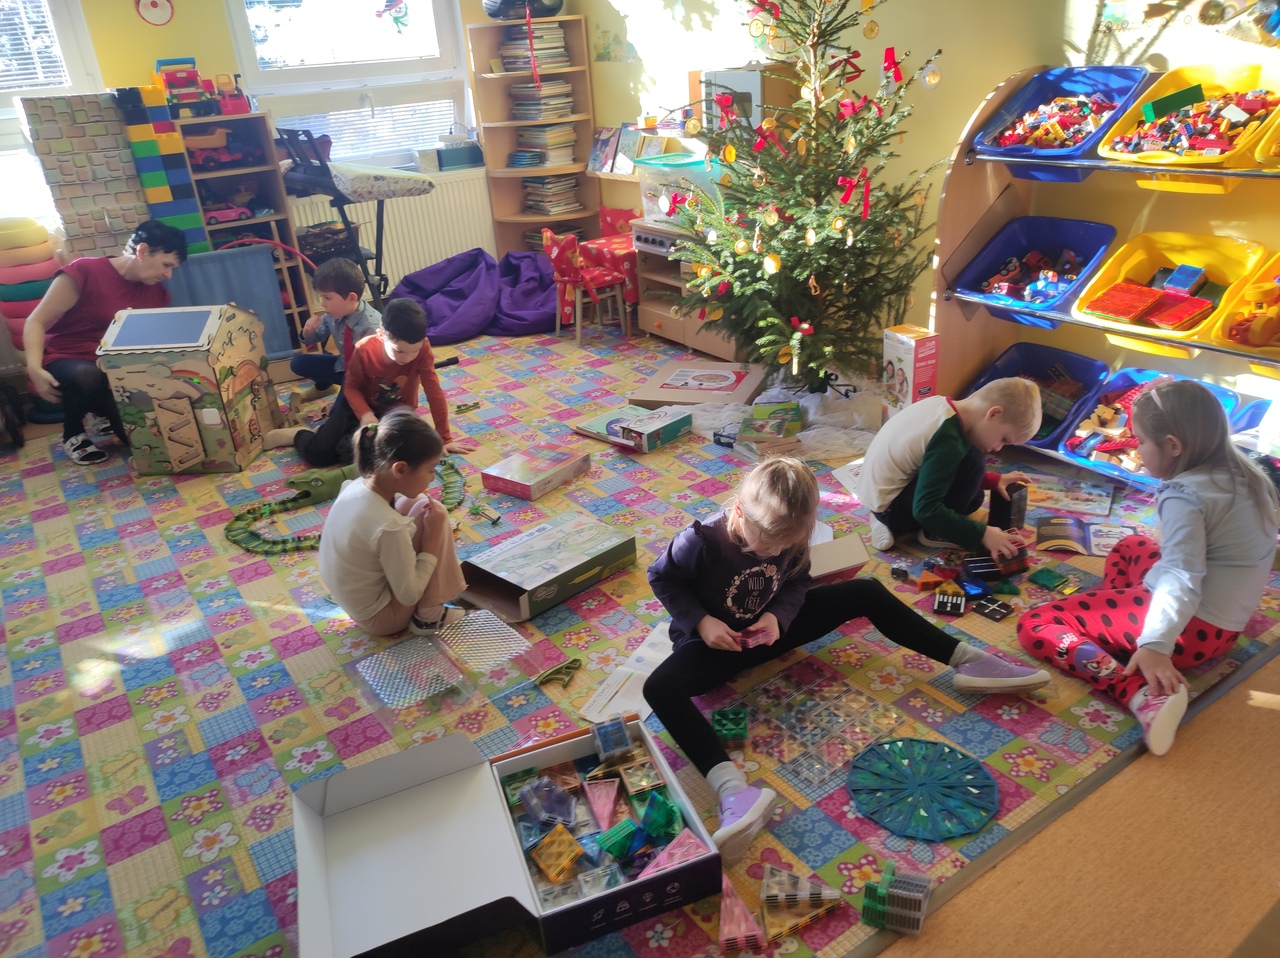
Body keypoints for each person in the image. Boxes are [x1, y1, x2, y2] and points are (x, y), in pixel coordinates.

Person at [644, 457, 1050, 863]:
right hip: (718, 646)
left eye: (784, 545)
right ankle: (734, 791)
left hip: (771, 630)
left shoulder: (792, 531)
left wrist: (777, 617)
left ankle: (968, 660)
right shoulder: (700, 540)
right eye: (765, 544)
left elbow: (798, 580)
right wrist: (702, 623)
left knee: (866, 590)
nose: (774, 551)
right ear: (737, 512)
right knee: (658, 688)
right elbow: (661, 577)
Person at [1017, 380, 1278, 755]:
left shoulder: (1184, 494)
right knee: (1130, 546)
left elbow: (1180, 576)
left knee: (1036, 623)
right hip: (1225, 623)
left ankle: (1139, 693)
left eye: (1140, 441)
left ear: (1173, 445)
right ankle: (1113, 634)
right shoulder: (1245, 472)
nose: (1137, 451)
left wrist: (1156, 644)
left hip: (1191, 631)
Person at [23, 220, 187, 465]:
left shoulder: (156, 293)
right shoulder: (85, 271)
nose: (168, 275)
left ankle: (103, 412)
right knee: (88, 376)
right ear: (142, 251)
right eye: (166, 265)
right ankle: (73, 433)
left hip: (115, 368)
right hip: (69, 357)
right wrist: (34, 369)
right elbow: (36, 321)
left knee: (143, 442)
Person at [265, 297, 478, 466]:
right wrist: (365, 414)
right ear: (382, 334)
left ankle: (341, 439)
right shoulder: (365, 349)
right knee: (319, 455)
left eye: (414, 351)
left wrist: (445, 438)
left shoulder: (423, 349)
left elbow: (434, 391)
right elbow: (351, 387)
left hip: (395, 413)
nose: (408, 358)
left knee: (373, 458)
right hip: (357, 407)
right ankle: (300, 435)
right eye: (400, 351)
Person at [318, 409, 467, 636]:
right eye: (430, 470)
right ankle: (430, 614)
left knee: (419, 504)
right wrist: (433, 538)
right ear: (401, 469)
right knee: (438, 518)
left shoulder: (355, 485)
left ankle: (431, 600)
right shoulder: (389, 527)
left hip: (354, 601)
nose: (432, 477)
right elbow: (409, 595)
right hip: (382, 617)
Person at [858, 376, 1041, 555]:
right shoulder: (947, 439)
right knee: (974, 459)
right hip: (892, 509)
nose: (999, 448)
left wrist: (992, 480)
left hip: (879, 497)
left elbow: (937, 468)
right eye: (1004, 439)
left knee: (974, 497)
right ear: (993, 414)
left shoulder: (942, 406)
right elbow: (926, 510)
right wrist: (982, 535)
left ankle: (883, 520)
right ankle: (931, 532)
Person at [290, 258, 380, 402]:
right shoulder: (332, 315)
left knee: (339, 414)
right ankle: (325, 387)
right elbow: (317, 336)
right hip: (343, 367)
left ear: (351, 298)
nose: (322, 303)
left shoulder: (372, 327)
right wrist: (307, 332)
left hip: (364, 379)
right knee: (298, 362)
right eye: (321, 297)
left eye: (327, 298)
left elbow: (379, 369)